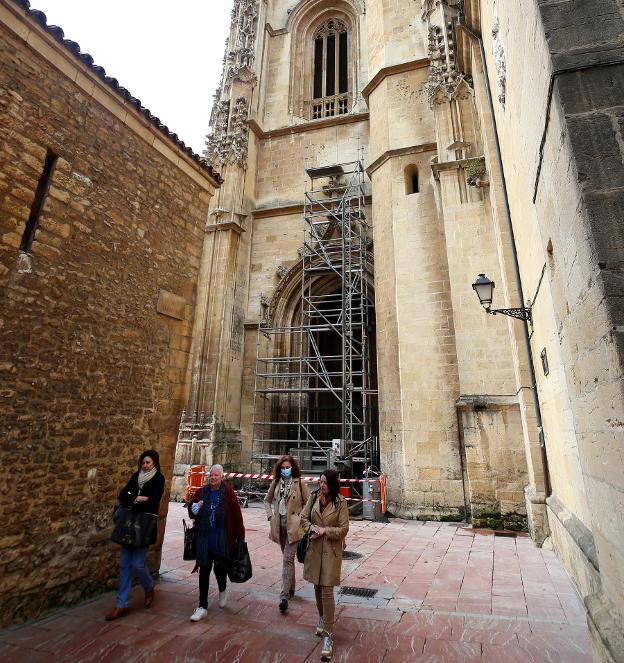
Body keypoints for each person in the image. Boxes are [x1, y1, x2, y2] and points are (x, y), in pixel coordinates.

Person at [106, 449, 165, 621]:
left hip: (144, 526)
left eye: (148, 463)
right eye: (143, 463)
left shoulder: (158, 479)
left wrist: (136, 499)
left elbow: (153, 501)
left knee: (138, 564)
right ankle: (121, 604)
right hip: (128, 525)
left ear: (154, 463)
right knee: (124, 564)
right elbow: (123, 495)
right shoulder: (135, 477)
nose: (145, 466)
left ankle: (148, 586)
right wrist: (138, 499)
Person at [300, 470, 349, 661]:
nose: (322, 486)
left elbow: (344, 529)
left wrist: (324, 530)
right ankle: (321, 617)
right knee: (317, 587)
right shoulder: (313, 498)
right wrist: (311, 528)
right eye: (320, 482)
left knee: (327, 590)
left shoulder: (340, 502)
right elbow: (303, 518)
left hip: (330, 551)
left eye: (325, 483)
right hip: (314, 550)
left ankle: (328, 635)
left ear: (332, 484)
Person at [188, 464, 245, 622]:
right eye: (211, 475)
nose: (213, 478)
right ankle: (202, 606)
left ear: (222, 477)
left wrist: (240, 538)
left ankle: (222, 588)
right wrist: (194, 507)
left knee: (220, 568)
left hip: (222, 539)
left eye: (216, 475)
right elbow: (191, 511)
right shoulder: (201, 492)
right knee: (204, 571)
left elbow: (236, 516)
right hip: (204, 538)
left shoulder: (228, 493)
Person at [264, 455, 310, 612]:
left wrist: (300, 517)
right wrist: (270, 516)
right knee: (287, 560)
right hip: (279, 527)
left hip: (293, 528)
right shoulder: (276, 482)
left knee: (287, 560)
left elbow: (308, 502)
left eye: (287, 467)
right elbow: (267, 500)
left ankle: (283, 596)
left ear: (293, 468)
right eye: (282, 468)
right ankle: (291, 588)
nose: (285, 470)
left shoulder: (300, 483)